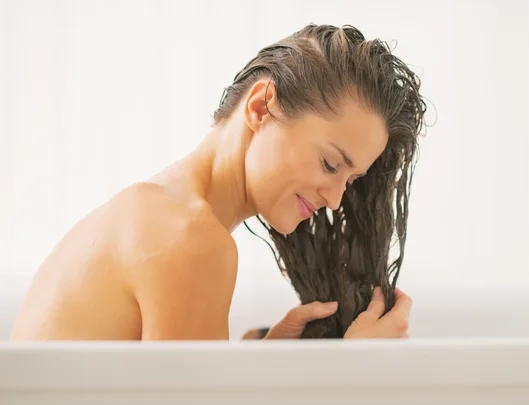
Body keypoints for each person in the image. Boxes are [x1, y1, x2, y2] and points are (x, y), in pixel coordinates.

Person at [10, 23, 426, 341]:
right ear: (262, 107)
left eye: (350, 181)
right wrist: (352, 374)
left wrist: (258, 370)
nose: (336, 200)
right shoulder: (189, 237)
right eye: (330, 163)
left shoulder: (156, 209)